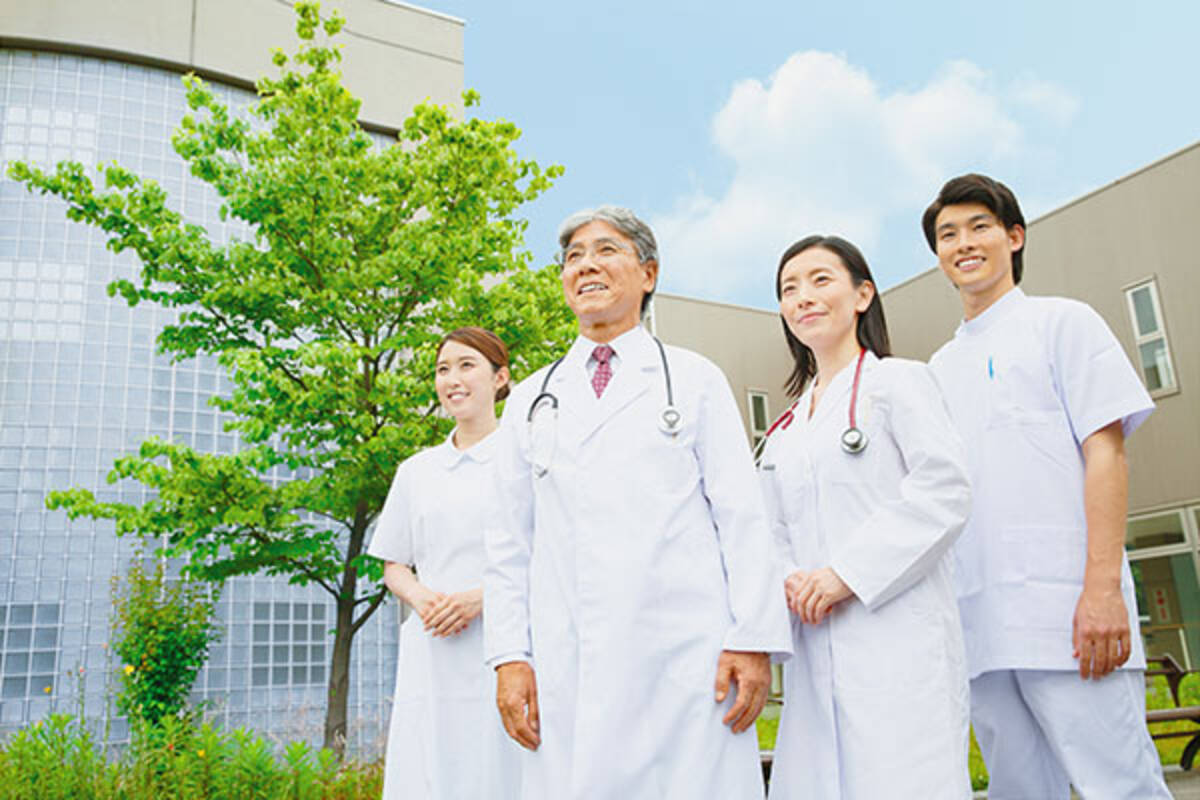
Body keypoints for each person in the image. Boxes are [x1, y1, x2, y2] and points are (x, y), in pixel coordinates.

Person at [483, 205, 792, 799]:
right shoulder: (531, 398)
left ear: (648, 273)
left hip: (684, 656)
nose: (586, 266)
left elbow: (742, 519)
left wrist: (751, 638)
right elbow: (507, 542)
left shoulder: (695, 380)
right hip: (567, 655)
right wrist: (509, 656)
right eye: (573, 257)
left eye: (606, 250)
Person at [922, 173, 1171, 799]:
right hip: (980, 628)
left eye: (979, 226)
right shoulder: (936, 371)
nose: (963, 243)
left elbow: (1106, 453)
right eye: (948, 234)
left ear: (1014, 237)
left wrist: (1102, 590)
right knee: (1017, 790)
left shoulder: (1062, 323)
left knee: (1120, 785)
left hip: (1069, 615)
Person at [758, 235, 972, 799]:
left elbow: (943, 489)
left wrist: (844, 575)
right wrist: (791, 578)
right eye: (789, 288)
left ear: (862, 295)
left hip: (896, 637)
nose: (803, 296)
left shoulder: (899, 382)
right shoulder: (784, 430)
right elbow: (769, 528)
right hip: (814, 642)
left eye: (820, 280)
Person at [367, 327, 522, 800]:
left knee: (500, 770)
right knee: (430, 772)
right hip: (432, 648)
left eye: (466, 365)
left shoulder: (524, 460)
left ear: (500, 378)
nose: (452, 379)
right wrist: (422, 598)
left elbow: (549, 558)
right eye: (442, 369)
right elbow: (394, 564)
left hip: (504, 645)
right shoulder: (417, 471)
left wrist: (480, 599)